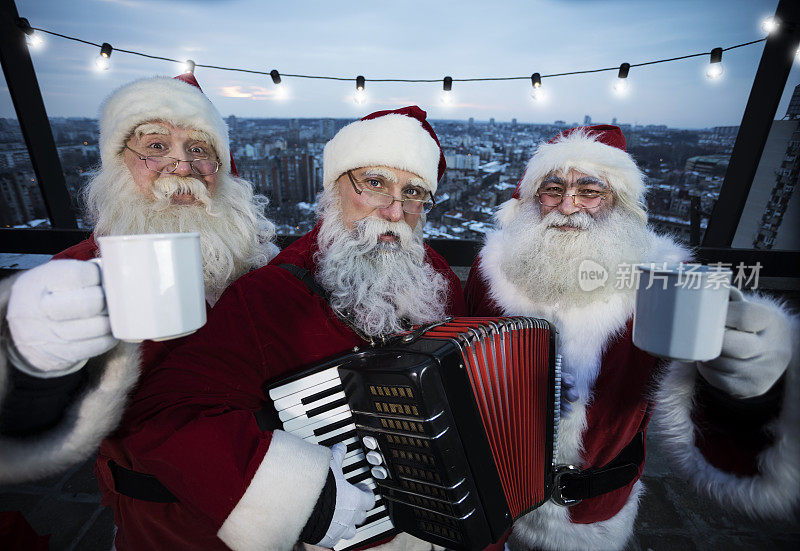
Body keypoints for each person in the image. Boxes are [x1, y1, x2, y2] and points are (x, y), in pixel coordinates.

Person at [94, 106, 466, 550]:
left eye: (414, 193)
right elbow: (165, 411)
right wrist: (299, 496)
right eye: (375, 184)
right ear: (335, 189)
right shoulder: (271, 292)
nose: (394, 210)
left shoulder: (438, 275)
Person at [465, 125, 798, 550]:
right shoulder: (491, 271)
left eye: (590, 191)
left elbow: (694, 388)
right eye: (552, 189)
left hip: (590, 512)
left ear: (617, 202)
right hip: (496, 493)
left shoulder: (660, 280)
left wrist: (748, 379)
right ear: (532, 198)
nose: (568, 206)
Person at [0, 74, 278, 483]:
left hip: (271, 467)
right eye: (156, 146)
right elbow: (22, 422)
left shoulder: (254, 256)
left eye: (199, 149)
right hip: (158, 506)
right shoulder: (74, 275)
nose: (183, 166)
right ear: (119, 162)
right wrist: (32, 362)